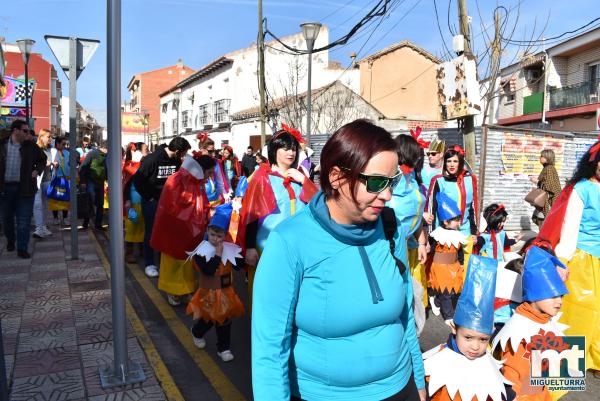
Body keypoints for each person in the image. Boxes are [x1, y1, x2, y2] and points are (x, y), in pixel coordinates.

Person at [252, 120, 425, 401]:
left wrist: (418, 379)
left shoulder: (392, 229)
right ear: (337, 177)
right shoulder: (290, 241)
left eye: (391, 181)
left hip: (399, 388)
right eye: (377, 182)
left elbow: (405, 313)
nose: (387, 195)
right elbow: (269, 349)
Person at [237, 125, 318, 312]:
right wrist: (249, 247)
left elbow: (318, 205)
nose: (290, 152)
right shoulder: (261, 178)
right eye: (285, 148)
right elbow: (250, 214)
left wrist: (304, 181)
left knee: (292, 295)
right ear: (274, 150)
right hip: (267, 246)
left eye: (293, 148)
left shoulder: (299, 177)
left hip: (297, 247)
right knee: (265, 298)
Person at [538, 140, 600, 377]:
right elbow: (569, 227)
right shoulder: (582, 189)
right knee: (578, 312)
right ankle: (557, 372)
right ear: (594, 162)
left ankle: (593, 360)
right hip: (582, 261)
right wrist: (561, 262)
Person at [423, 255, 509, 401]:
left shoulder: (490, 363)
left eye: (483, 340)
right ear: (454, 329)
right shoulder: (435, 363)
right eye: (468, 337)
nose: (476, 346)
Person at [492, 246, 568, 401]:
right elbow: (513, 382)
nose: (559, 301)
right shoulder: (518, 334)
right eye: (553, 295)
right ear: (534, 294)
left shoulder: (547, 321)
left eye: (561, 295)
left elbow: (556, 378)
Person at [150, 154, 214, 306]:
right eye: (209, 172)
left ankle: (186, 290)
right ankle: (173, 291)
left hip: (189, 228)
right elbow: (175, 206)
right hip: (175, 228)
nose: (210, 176)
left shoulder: (195, 180)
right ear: (202, 169)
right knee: (173, 262)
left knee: (186, 262)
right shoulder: (178, 179)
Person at [186, 203, 245, 362]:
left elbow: (239, 265)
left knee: (224, 320)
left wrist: (243, 256)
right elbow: (208, 270)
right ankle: (197, 332)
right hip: (208, 292)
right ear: (207, 232)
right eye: (213, 234)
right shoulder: (201, 252)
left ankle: (223, 348)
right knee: (209, 319)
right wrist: (218, 255)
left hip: (226, 291)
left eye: (220, 236)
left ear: (225, 235)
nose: (216, 239)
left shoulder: (229, 248)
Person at [387, 133, 429, 333]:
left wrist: (421, 242)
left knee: (409, 290)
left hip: (404, 244)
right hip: (387, 244)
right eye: (418, 153)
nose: (421, 157)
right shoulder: (391, 177)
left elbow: (416, 214)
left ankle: (407, 331)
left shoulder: (411, 177)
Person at [133, 137, 191, 278]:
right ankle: (149, 263)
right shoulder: (152, 159)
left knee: (165, 231)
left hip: (168, 202)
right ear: (177, 151)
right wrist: (150, 197)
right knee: (150, 231)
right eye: (183, 153)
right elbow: (138, 180)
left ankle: (161, 261)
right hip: (151, 202)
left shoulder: (176, 160)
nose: (183, 156)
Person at [0, 120, 46, 258]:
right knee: (6, 219)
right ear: (15, 131)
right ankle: (11, 239)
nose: (28, 133)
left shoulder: (31, 146)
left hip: (24, 187)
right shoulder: (2, 145)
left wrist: (37, 170)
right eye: (25, 130)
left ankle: (22, 248)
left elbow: (42, 159)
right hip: (5, 188)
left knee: (24, 220)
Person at [428, 192, 468, 326]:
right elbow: (432, 251)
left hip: (454, 266)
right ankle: (449, 316)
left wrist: (461, 263)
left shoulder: (458, 235)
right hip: (440, 267)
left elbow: (460, 251)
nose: (458, 223)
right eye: (456, 220)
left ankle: (436, 301)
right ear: (446, 221)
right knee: (446, 291)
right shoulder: (438, 235)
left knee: (454, 290)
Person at [426, 145, 478, 237]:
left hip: (466, 232)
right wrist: (431, 235)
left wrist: (474, 232)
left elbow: (473, 207)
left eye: (455, 161)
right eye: (449, 161)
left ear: (460, 163)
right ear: (445, 163)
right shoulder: (438, 181)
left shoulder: (470, 179)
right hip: (443, 233)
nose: (451, 165)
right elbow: (431, 209)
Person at [123, 144, 146, 263]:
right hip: (133, 204)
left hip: (142, 202)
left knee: (141, 228)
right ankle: (129, 252)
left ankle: (140, 250)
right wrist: (127, 201)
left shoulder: (142, 169)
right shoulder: (131, 170)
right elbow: (126, 187)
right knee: (132, 228)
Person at [529, 149, 561, 227]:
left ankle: (544, 238)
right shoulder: (547, 168)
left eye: (542, 156)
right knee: (541, 220)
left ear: (548, 158)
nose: (540, 158)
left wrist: (536, 181)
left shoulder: (549, 168)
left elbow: (550, 187)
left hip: (549, 201)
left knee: (544, 222)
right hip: (546, 200)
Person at [80, 144, 108, 230]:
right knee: (89, 202)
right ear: (104, 148)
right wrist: (83, 181)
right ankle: (86, 223)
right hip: (90, 182)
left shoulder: (106, 156)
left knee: (100, 204)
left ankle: (98, 224)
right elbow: (83, 167)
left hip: (100, 182)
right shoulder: (92, 154)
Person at [33, 129, 55, 238]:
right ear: (41, 137)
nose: (50, 139)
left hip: (47, 179)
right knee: (37, 205)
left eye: (50, 137)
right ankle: (39, 229)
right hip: (37, 180)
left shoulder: (49, 149)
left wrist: (54, 164)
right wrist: (48, 163)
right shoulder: (35, 148)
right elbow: (35, 162)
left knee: (45, 205)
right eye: (48, 136)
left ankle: (43, 227)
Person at [48, 136, 71, 226]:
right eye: (63, 144)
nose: (65, 146)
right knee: (55, 198)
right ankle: (55, 218)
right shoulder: (53, 152)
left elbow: (69, 164)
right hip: (56, 178)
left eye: (66, 144)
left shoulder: (67, 152)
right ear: (57, 144)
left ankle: (65, 218)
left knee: (65, 199)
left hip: (66, 178)